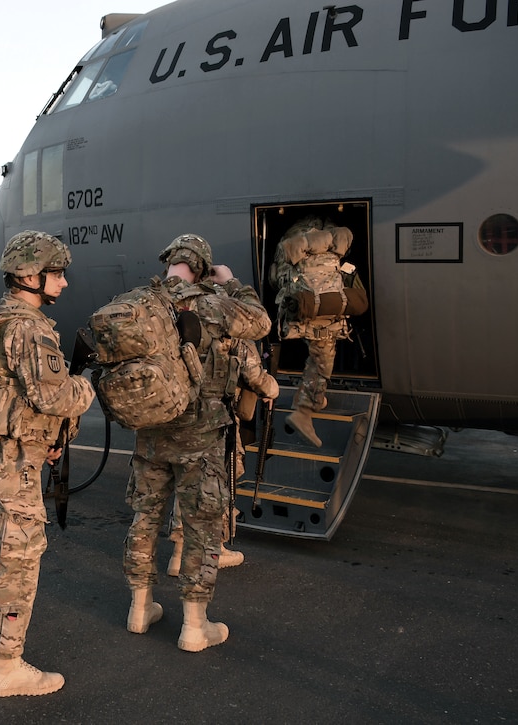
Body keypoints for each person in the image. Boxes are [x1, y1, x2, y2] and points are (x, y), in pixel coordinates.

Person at [0, 231, 95, 697]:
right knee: (17, 557)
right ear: (31, 275)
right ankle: (7, 666)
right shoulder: (28, 327)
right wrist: (89, 385)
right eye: (58, 273)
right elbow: (52, 395)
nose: (64, 283)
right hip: (13, 463)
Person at [123, 234, 271, 652]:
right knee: (203, 527)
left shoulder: (140, 302)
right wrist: (233, 282)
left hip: (151, 433)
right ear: (203, 268)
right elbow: (260, 322)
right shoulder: (211, 303)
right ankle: (194, 626)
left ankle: (139, 608)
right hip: (200, 435)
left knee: (146, 518)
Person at [165, 336, 279, 575]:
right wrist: (271, 388)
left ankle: (178, 552)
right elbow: (254, 375)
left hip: (184, 413)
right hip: (218, 418)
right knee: (223, 477)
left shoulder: (186, 318)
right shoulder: (230, 321)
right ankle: (215, 548)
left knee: (187, 476)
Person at [270, 216, 357, 447]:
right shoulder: (333, 241)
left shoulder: (291, 244)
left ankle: (311, 399)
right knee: (322, 360)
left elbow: (274, 279)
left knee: (317, 355)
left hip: (302, 309)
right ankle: (305, 409)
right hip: (322, 314)